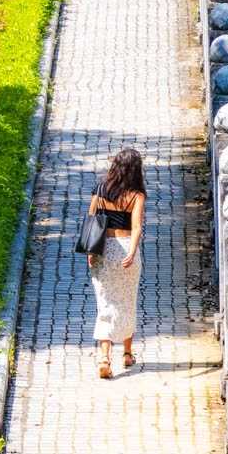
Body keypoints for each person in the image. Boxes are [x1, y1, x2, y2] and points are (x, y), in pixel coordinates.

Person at [85, 147, 145, 378]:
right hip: (124, 245)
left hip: (103, 249)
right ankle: (127, 354)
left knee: (105, 303)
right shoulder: (136, 196)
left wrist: (91, 251)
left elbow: (91, 220)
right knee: (127, 300)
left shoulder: (100, 190)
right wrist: (131, 252)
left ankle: (103, 357)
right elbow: (137, 227)